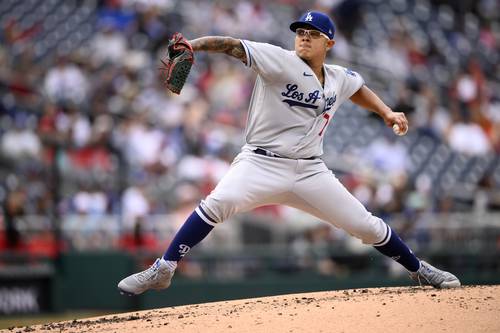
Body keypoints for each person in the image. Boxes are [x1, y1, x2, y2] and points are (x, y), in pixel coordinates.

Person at [118, 11, 460, 295]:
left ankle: (419, 269)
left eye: (312, 33)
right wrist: (194, 45)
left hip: (311, 171)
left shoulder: (337, 76)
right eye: (300, 32)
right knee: (216, 204)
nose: (304, 37)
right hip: (260, 162)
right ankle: (163, 268)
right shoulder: (279, 60)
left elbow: (357, 88)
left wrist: (386, 112)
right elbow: (232, 46)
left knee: (366, 226)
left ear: (329, 43)